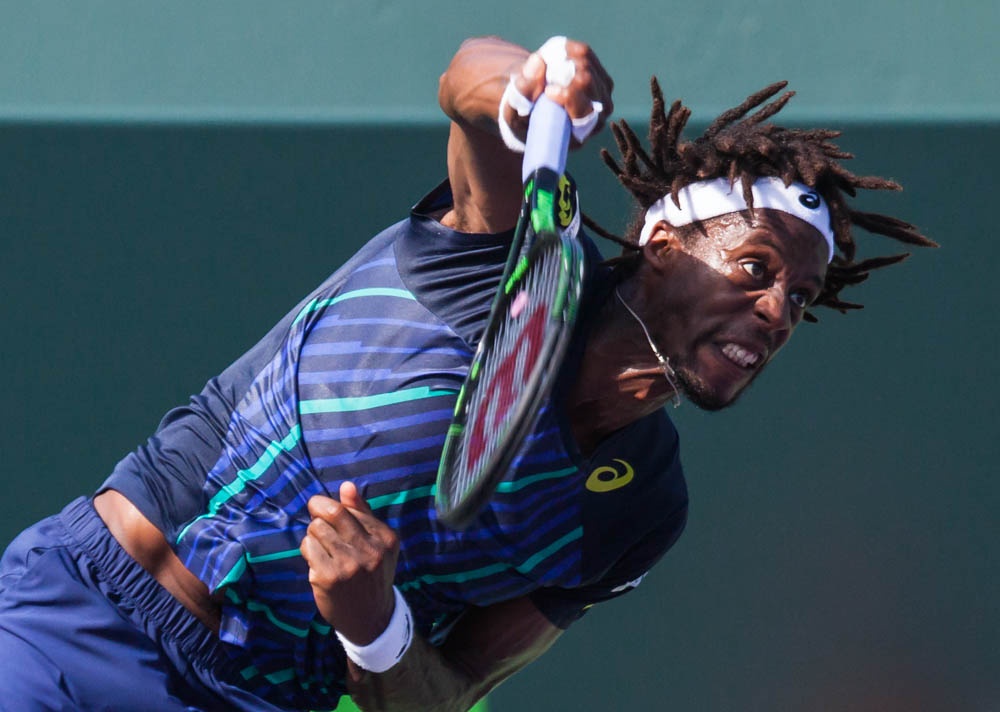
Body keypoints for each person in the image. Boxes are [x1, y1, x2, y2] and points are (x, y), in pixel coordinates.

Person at [0, 36, 934, 712]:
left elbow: (440, 698)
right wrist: (528, 89)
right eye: (754, 270)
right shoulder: (503, 261)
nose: (775, 313)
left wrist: (373, 624)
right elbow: (466, 89)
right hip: (86, 621)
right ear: (659, 244)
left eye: (800, 300)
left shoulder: (642, 504)